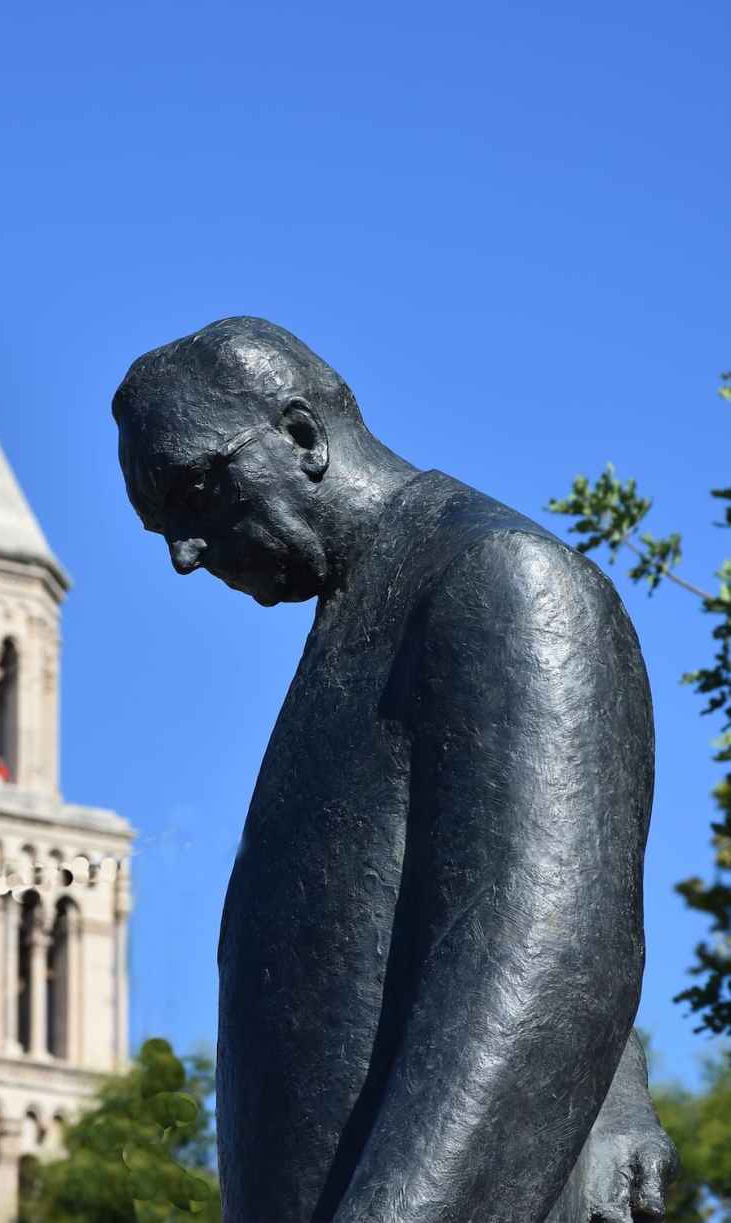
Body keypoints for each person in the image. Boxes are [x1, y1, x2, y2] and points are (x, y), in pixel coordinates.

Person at [112, 317, 677, 1223]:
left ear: (301, 437)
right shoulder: (361, 617)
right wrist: (615, 1090)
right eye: (160, 526)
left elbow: (546, 959)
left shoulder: (498, 577)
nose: (183, 552)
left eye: (192, 493)